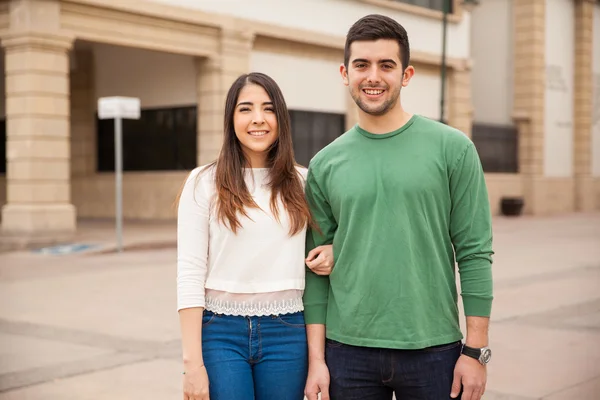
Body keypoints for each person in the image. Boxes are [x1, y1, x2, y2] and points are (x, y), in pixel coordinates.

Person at [303, 14, 494, 400]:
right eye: (362, 65)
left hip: (434, 349)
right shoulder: (325, 163)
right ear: (345, 73)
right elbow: (314, 270)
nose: (373, 76)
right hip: (347, 352)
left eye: (386, 65)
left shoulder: (453, 149)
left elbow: (475, 253)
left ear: (406, 75)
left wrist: (476, 351)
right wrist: (316, 361)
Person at [176, 72, 333, 400]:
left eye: (269, 109)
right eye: (245, 109)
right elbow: (189, 273)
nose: (258, 119)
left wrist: (335, 252)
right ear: (231, 118)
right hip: (220, 332)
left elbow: (334, 242)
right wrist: (192, 364)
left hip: (288, 331)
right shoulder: (203, 182)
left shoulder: (305, 182)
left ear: (281, 119)